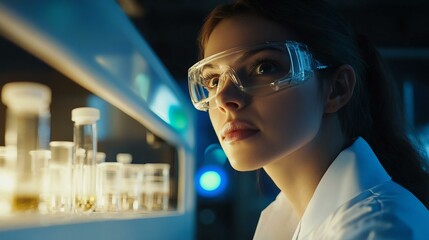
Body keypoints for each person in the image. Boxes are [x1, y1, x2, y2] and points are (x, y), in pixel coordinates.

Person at [187, 0, 429, 239]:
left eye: (264, 67)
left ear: (337, 89)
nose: (223, 98)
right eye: (213, 81)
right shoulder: (287, 218)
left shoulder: (379, 229)